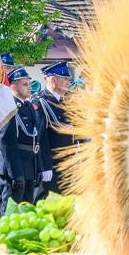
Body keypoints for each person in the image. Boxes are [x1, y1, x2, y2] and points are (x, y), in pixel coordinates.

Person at [0, 67, 46, 217]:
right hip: (15, 166)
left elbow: (35, 140)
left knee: (26, 212)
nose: (29, 87)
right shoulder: (9, 106)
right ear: (13, 86)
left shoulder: (28, 106)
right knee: (10, 212)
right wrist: (15, 173)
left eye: (29, 84)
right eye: (24, 84)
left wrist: (38, 168)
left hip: (29, 165)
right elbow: (6, 142)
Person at [34, 60, 77, 200]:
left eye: (68, 78)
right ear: (52, 80)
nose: (68, 81)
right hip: (51, 164)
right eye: (64, 78)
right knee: (44, 203)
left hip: (67, 164)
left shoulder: (66, 102)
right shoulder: (40, 102)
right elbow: (40, 137)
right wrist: (45, 166)